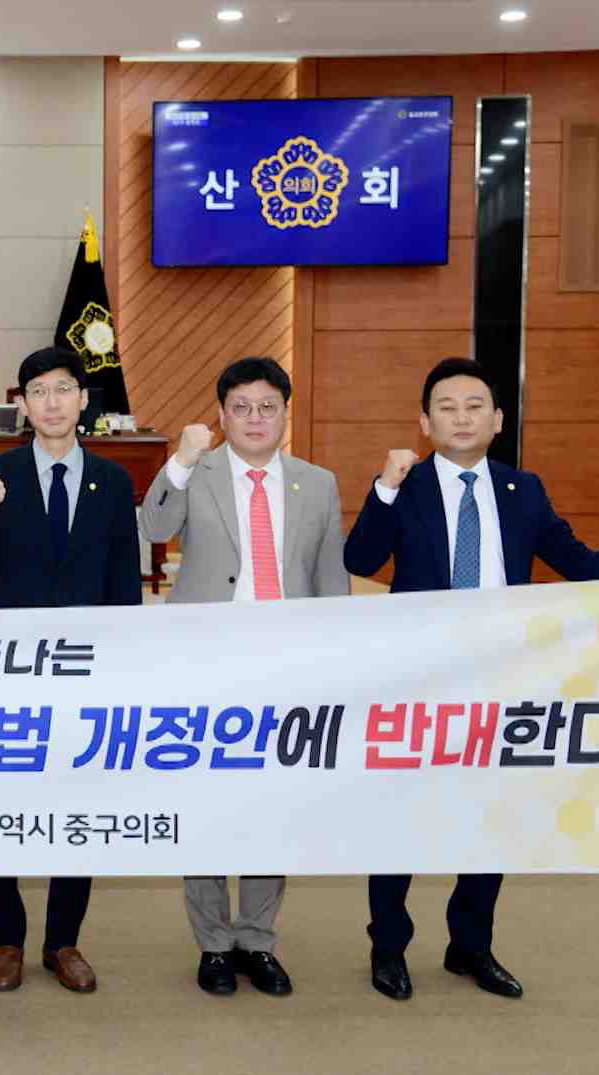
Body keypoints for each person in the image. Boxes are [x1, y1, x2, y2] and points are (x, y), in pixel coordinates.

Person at [344, 356, 599, 1003]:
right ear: (424, 422)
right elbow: (359, 558)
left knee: (492, 816)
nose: (461, 418)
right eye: (446, 407)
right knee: (402, 816)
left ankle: (470, 945)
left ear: (497, 420)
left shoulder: (523, 490)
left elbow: (580, 562)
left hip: (504, 681)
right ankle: (388, 946)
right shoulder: (404, 487)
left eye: (474, 406)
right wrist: (383, 487)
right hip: (420, 683)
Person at [141, 357, 348, 998]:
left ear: (286, 413)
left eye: (267, 407)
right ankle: (212, 942)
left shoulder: (317, 483)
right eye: (241, 407)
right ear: (221, 415)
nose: (255, 418)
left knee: (270, 806)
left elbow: (331, 578)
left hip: (288, 666)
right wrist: (180, 460)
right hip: (207, 664)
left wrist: (337, 664)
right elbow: (152, 527)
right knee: (205, 803)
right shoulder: (196, 473)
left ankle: (257, 939)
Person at [0, 345, 143, 995]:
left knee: (76, 802)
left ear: (84, 399)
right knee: (0, 801)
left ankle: (63, 941)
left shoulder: (112, 480)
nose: (52, 402)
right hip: (12, 668)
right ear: (23, 405)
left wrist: (124, 665)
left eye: (63, 389)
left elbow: (124, 579)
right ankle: (6, 938)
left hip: (87, 668)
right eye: (38, 392)